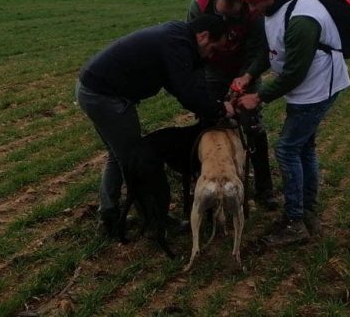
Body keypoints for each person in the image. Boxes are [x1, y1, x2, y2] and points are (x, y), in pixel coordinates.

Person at [76, 14, 234, 237]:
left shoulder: (178, 37)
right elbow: (185, 89)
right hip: (104, 96)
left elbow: (178, 84)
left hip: (91, 88)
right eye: (214, 49)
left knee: (118, 155)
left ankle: (109, 216)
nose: (211, 56)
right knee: (137, 159)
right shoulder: (177, 44)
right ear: (204, 36)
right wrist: (219, 109)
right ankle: (154, 222)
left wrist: (204, 104)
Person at [233, 0, 350, 245]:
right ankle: (307, 209)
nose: (250, 9)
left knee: (287, 149)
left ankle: (295, 221)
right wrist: (249, 75)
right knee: (303, 147)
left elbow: (294, 72)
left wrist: (258, 98)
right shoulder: (273, 9)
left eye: (253, 2)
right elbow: (272, 51)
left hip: (317, 89)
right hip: (305, 88)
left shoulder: (302, 18)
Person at [187, 0, 278, 210]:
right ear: (215, 0)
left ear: (243, 2)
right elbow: (193, 45)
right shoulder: (200, 4)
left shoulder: (254, 10)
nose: (226, 21)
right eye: (222, 16)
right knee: (208, 126)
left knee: (253, 127)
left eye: (232, 16)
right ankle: (205, 183)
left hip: (245, 70)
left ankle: (264, 189)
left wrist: (247, 76)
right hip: (212, 70)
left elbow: (262, 49)